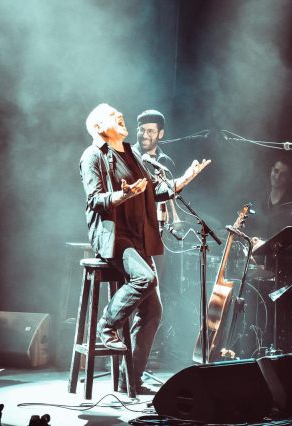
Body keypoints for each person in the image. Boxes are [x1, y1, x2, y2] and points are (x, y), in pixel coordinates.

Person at [79, 103, 210, 394]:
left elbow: (153, 192)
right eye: (113, 116)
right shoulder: (93, 155)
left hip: (138, 237)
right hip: (114, 237)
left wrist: (184, 180)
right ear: (99, 127)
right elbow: (95, 200)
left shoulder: (132, 153)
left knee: (153, 312)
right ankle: (106, 325)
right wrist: (121, 195)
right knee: (146, 278)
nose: (120, 116)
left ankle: (130, 380)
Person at [132, 109, 181, 232]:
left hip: (165, 226)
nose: (144, 135)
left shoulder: (167, 162)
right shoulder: (129, 156)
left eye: (150, 131)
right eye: (141, 130)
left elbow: (174, 197)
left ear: (160, 134)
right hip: (138, 225)